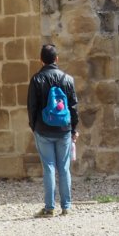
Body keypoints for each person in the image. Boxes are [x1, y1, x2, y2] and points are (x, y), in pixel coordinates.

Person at [27, 43, 79, 216]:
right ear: (57, 59)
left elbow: (32, 107)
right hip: (64, 129)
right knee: (64, 167)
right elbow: (73, 107)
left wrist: (34, 127)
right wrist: (74, 129)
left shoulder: (36, 80)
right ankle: (66, 206)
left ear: (40, 60)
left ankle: (49, 208)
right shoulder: (68, 79)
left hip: (43, 129)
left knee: (48, 167)